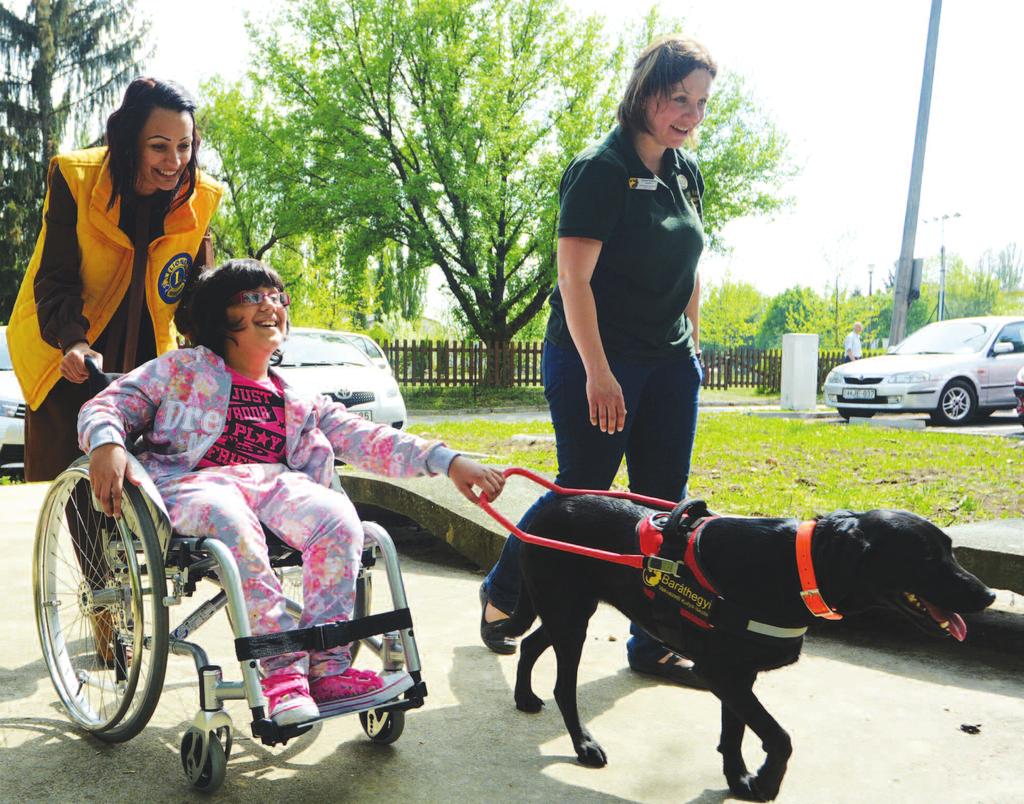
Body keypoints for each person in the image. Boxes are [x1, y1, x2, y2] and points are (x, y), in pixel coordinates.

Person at [79, 259, 506, 726]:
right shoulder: (180, 369)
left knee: (339, 517)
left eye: (277, 297)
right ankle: (282, 674)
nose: (271, 305)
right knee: (231, 519)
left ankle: (327, 668)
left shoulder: (296, 397)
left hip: (274, 484)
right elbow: (109, 404)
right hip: (192, 485)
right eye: (252, 297)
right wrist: (106, 442)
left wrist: (449, 462)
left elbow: (370, 439)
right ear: (220, 316)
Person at [478, 35, 715, 689]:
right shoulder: (600, 169)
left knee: (665, 509)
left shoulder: (685, 170)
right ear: (645, 94)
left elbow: (691, 264)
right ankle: (502, 592)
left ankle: (653, 640)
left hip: (668, 361)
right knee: (580, 492)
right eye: (678, 99)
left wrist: (692, 343)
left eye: (700, 102)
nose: (690, 115)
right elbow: (572, 281)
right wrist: (599, 372)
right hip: (594, 356)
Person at [9, 77, 223, 483]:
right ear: (130, 143)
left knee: (144, 489)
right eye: (159, 146)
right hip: (67, 348)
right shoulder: (76, 177)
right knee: (65, 486)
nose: (174, 161)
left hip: (145, 360)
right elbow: (55, 277)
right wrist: (73, 341)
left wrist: (224, 344)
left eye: (184, 146)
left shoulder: (200, 196)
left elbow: (199, 292)